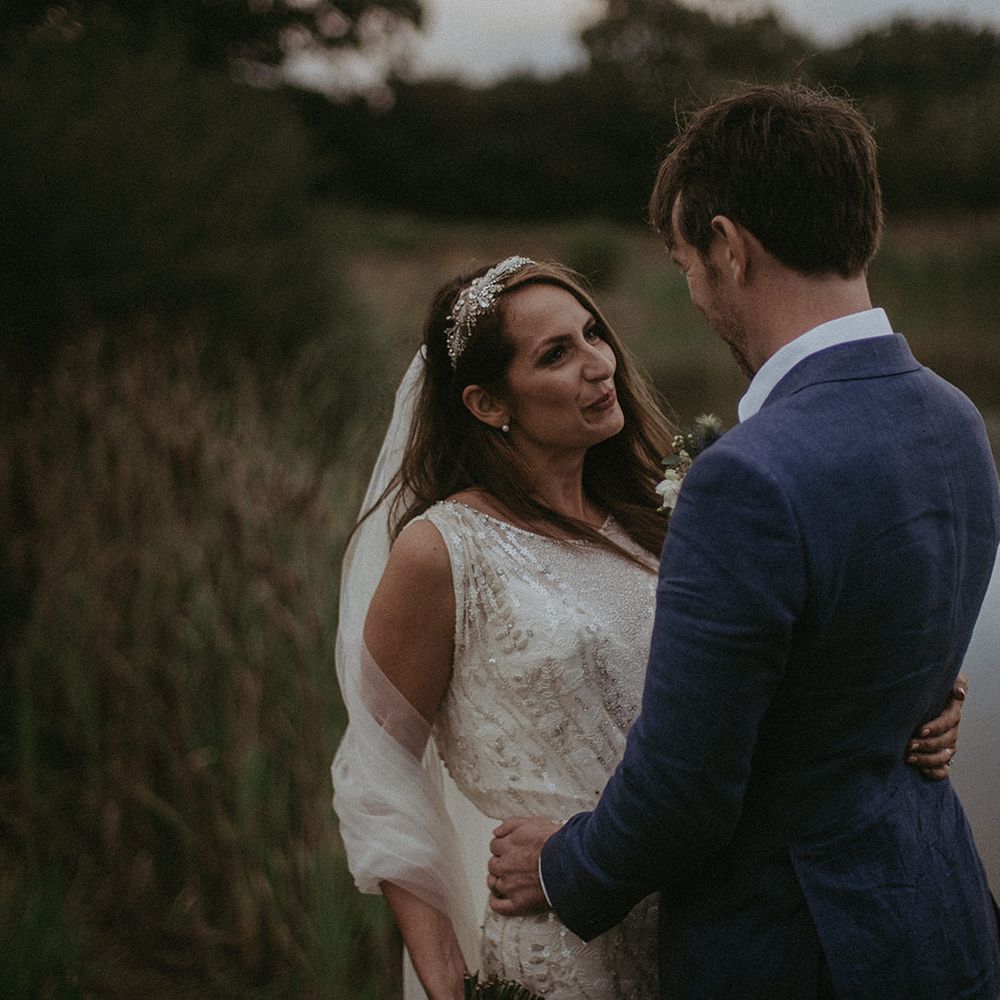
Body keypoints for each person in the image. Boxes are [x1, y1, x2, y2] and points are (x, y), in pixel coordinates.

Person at [332, 248, 968, 999]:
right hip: (561, 937)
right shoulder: (440, 552)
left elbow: (769, 673)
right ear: (487, 403)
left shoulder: (665, 519)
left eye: (594, 334)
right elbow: (380, 772)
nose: (598, 363)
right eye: (557, 354)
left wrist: (923, 697)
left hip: (713, 922)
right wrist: (445, 984)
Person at [487, 85, 1000, 999]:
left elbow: (689, 787)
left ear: (730, 248)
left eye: (687, 260)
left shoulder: (748, 476)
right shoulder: (958, 419)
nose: (693, 291)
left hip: (799, 951)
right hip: (945, 919)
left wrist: (567, 866)